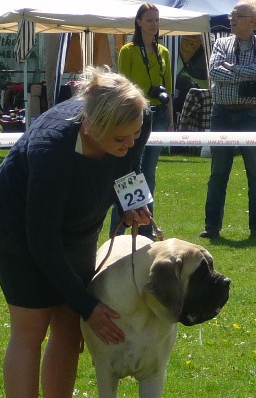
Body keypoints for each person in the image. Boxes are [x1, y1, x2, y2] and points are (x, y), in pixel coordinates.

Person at [0, 67, 153, 398]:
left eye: (135, 134)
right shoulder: (52, 152)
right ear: (94, 126)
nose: (130, 143)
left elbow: (129, 165)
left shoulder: (136, 121)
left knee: (69, 330)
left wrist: (131, 201)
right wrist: (87, 304)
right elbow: (41, 240)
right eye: (120, 138)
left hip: (78, 221)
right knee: (30, 330)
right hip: (22, 227)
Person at [200, 0, 256, 240]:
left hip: (253, 115)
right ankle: (212, 227)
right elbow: (214, 72)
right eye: (231, 15)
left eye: (237, 15)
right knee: (218, 173)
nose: (231, 19)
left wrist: (233, 68)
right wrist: (248, 73)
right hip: (222, 114)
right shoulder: (220, 43)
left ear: (252, 22)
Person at [110, 2, 173, 238]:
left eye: (156, 20)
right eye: (149, 20)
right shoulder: (128, 50)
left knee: (148, 172)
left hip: (158, 115)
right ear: (138, 22)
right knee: (128, 172)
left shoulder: (164, 51)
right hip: (135, 114)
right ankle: (117, 229)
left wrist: (171, 119)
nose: (154, 24)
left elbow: (169, 89)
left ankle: (146, 229)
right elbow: (122, 86)